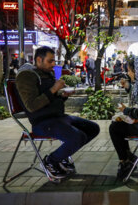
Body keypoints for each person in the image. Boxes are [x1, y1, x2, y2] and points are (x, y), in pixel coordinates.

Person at [15, 46, 100, 180]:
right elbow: (32, 105)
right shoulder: (26, 76)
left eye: (54, 61)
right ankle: (51, 161)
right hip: (42, 122)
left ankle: (62, 157)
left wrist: (63, 96)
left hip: (58, 117)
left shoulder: (45, 73)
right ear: (39, 59)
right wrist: (54, 89)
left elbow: (50, 98)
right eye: (50, 61)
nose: (53, 64)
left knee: (93, 128)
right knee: (77, 137)